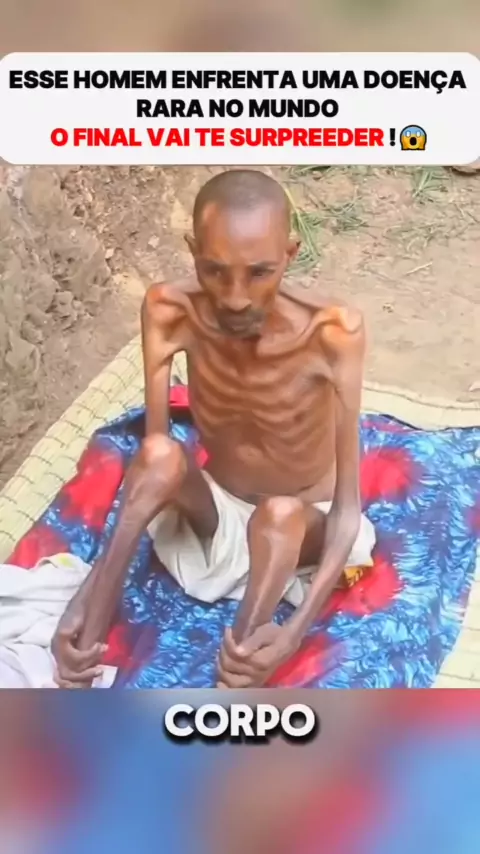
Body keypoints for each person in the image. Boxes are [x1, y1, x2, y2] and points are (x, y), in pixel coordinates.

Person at [52, 169, 375, 689]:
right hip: (215, 516)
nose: (235, 298)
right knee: (157, 453)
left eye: (260, 272)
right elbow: (155, 460)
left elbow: (346, 511)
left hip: (300, 530)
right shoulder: (169, 309)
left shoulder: (332, 332)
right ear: (192, 252)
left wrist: (293, 632)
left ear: (290, 255)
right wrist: (87, 590)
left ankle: (242, 663)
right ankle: (84, 634)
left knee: (278, 515)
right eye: (214, 271)